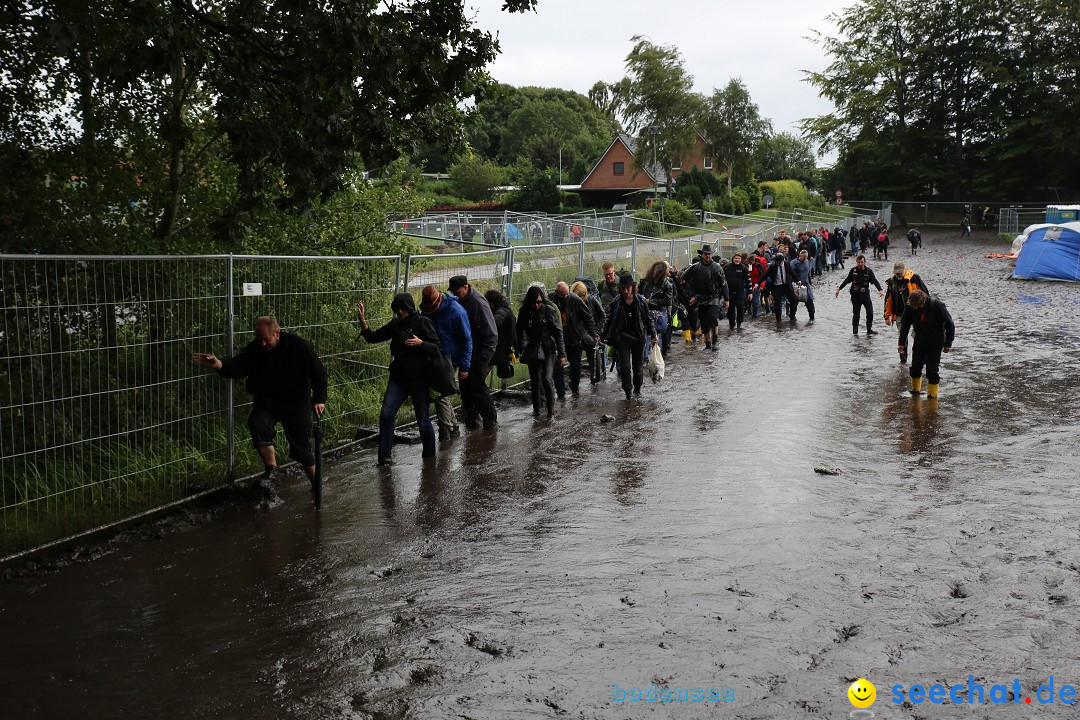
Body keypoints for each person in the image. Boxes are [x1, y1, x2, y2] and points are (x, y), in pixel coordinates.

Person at [193, 316, 327, 499]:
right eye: (259, 339)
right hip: (268, 402)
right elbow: (238, 366)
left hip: (296, 404)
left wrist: (318, 399)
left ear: (277, 333)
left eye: (266, 339)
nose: (262, 344)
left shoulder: (298, 346)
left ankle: (317, 488)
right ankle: (272, 469)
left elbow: (318, 373)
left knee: (303, 448)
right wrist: (217, 364)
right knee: (257, 423)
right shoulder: (256, 349)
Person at [356, 294, 441, 465]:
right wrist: (362, 320)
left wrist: (421, 344)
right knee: (386, 414)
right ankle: (384, 457)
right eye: (397, 309)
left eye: (403, 308)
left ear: (410, 307)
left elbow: (437, 348)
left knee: (423, 421)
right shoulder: (395, 325)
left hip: (419, 380)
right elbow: (373, 337)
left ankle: (429, 459)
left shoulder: (424, 323)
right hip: (399, 379)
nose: (400, 312)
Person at [419, 285, 472, 443]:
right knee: (443, 394)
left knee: (441, 393)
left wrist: (465, 366)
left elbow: (466, 340)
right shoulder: (427, 311)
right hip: (434, 356)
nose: (431, 310)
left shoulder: (457, 311)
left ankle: (445, 430)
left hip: (451, 358)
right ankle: (453, 427)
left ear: (440, 298)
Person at [447, 275, 498, 430]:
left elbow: (491, 333)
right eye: (453, 292)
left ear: (465, 287)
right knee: (466, 388)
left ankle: (490, 419)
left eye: (457, 291)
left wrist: (483, 359)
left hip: (479, 353)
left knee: (478, 387)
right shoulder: (460, 300)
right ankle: (472, 418)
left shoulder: (478, 303)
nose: (455, 295)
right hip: (467, 353)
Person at [602, 273, 657, 399]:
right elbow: (609, 319)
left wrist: (653, 334)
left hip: (638, 337)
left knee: (638, 366)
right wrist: (604, 335)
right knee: (625, 367)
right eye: (623, 288)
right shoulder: (616, 302)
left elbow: (648, 319)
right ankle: (628, 392)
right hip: (622, 338)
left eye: (628, 288)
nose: (626, 291)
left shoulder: (641, 301)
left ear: (633, 287)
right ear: (620, 288)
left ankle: (637, 388)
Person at [516, 286, 566, 418]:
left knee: (547, 379)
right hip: (533, 349)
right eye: (534, 303)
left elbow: (558, 332)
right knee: (535, 381)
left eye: (539, 302)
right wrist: (522, 348)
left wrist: (561, 354)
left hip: (548, 349)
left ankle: (550, 410)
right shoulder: (524, 312)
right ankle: (537, 411)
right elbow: (519, 331)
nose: (537, 305)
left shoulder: (548, 310)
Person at [898, 289, 955, 398]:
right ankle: (915, 392)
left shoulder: (937, 305)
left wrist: (948, 343)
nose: (916, 308)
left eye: (918, 306)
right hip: (920, 338)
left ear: (923, 301)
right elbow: (905, 326)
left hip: (936, 340)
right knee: (915, 367)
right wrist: (901, 343)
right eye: (913, 306)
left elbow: (949, 324)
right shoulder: (910, 307)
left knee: (932, 370)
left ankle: (932, 397)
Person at [680, 244, 729, 350]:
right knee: (703, 321)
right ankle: (707, 342)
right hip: (700, 298)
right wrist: (691, 293)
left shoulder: (717, 267)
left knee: (712, 317)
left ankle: (715, 338)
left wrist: (726, 299)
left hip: (714, 297)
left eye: (709, 254)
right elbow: (683, 277)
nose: (707, 256)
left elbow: (723, 283)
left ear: (711, 255)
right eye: (705, 254)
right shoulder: (695, 267)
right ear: (701, 255)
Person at [552, 281, 597, 396]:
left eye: (567, 294)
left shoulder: (575, 300)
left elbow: (588, 318)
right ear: (556, 293)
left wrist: (594, 333)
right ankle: (560, 392)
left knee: (576, 367)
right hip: (558, 338)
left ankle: (575, 385)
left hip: (574, 338)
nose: (565, 297)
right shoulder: (552, 301)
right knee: (558, 367)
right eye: (562, 295)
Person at [883, 262, 929, 364]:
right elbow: (888, 300)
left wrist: (926, 312)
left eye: (900, 272)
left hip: (916, 312)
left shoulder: (915, 278)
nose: (899, 274)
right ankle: (903, 361)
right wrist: (887, 316)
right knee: (902, 337)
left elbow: (926, 294)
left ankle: (919, 358)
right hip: (899, 314)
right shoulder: (892, 282)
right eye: (896, 273)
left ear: (905, 270)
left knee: (918, 335)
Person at [836, 254, 884, 335]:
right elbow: (847, 280)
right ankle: (855, 332)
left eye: (862, 262)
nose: (860, 264)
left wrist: (880, 290)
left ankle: (869, 329)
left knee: (870, 312)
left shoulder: (869, 271)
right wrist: (839, 289)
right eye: (858, 262)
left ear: (864, 262)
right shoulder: (853, 271)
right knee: (856, 315)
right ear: (856, 262)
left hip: (865, 295)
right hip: (855, 296)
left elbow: (875, 281)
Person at [638, 260, 675, 354]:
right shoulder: (645, 282)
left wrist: (651, 301)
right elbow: (639, 295)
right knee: (645, 334)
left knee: (658, 334)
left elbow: (667, 301)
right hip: (646, 311)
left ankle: (658, 355)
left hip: (660, 313)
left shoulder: (667, 284)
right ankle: (645, 358)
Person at [485, 289, 517, 382]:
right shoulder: (505, 309)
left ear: (492, 303)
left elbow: (494, 322)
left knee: (481, 374)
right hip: (501, 348)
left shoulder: (502, 311)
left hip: (499, 349)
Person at [766, 250, 797, 321]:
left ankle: (792, 316)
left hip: (786, 285)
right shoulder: (772, 266)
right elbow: (765, 275)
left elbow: (792, 273)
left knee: (794, 300)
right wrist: (757, 284)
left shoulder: (787, 264)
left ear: (782, 260)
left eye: (779, 261)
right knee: (777, 303)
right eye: (777, 261)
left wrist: (798, 280)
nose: (778, 263)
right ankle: (778, 320)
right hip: (777, 286)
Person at [723, 252, 751, 329]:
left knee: (740, 307)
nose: (737, 260)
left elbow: (748, 280)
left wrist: (750, 292)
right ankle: (732, 325)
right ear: (733, 259)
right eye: (736, 258)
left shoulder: (744, 268)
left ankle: (739, 323)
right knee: (730, 309)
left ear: (741, 259)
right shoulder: (727, 267)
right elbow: (722, 279)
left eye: (739, 258)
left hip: (740, 292)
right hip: (729, 292)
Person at [790, 249, 817, 321]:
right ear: (799, 256)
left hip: (806, 285)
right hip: (796, 286)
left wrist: (810, 283)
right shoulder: (793, 263)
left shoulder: (807, 262)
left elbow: (808, 273)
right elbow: (790, 275)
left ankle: (812, 319)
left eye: (806, 258)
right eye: (803, 258)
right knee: (794, 302)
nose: (804, 259)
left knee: (810, 301)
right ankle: (792, 318)